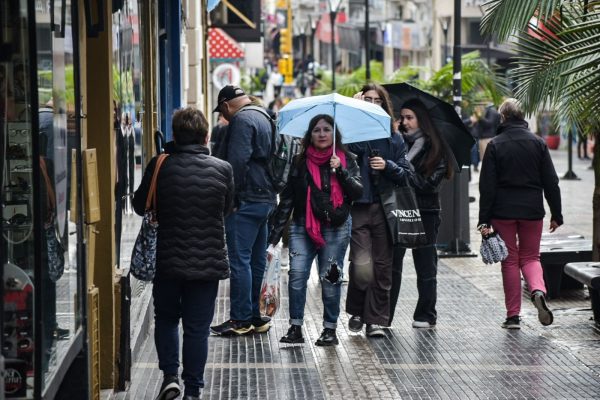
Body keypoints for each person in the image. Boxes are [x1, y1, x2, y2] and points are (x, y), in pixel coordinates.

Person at [133, 107, 234, 400]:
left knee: (166, 319)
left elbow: (140, 206)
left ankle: (170, 377)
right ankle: (193, 390)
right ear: (206, 137)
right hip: (207, 263)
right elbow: (227, 209)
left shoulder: (159, 165)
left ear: (175, 136)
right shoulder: (223, 169)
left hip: (166, 261)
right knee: (197, 328)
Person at [268, 114, 363, 346]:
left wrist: (341, 171)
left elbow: (358, 192)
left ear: (334, 133)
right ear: (309, 135)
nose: (321, 134)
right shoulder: (299, 162)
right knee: (297, 275)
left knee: (330, 278)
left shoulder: (347, 159)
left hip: (336, 227)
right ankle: (295, 327)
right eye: (317, 130)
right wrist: (274, 236)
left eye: (326, 129)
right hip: (303, 226)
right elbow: (288, 198)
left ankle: (330, 329)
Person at [478, 98, 562, 330]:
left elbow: (487, 186)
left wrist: (483, 219)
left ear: (503, 117)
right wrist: (557, 213)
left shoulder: (495, 144)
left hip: (503, 212)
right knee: (531, 257)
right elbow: (551, 181)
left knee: (510, 261)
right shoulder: (538, 143)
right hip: (532, 210)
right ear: (523, 116)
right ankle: (538, 290)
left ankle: (513, 316)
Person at [210, 85, 278, 336]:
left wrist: (232, 197)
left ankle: (240, 319)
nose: (224, 116)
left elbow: (236, 162)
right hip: (266, 197)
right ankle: (255, 316)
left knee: (240, 260)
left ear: (226, 105)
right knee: (256, 260)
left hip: (247, 198)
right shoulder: (265, 116)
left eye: (222, 111)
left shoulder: (241, 119)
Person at [345, 83, 412, 337]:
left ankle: (374, 320)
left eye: (377, 100)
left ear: (384, 104)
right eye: (368, 100)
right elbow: (346, 153)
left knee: (383, 266)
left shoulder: (393, 136)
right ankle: (357, 310)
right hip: (359, 206)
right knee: (361, 262)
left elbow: (405, 174)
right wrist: (354, 112)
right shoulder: (353, 132)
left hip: (385, 208)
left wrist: (387, 166)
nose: (373, 104)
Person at [389, 98, 455, 328]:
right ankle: (384, 316)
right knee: (392, 265)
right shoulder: (396, 144)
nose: (404, 122)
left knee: (426, 266)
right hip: (398, 209)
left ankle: (426, 314)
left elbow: (428, 185)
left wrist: (402, 169)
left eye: (410, 117)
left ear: (422, 121)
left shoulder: (436, 149)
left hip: (426, 211)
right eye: (402, 117)